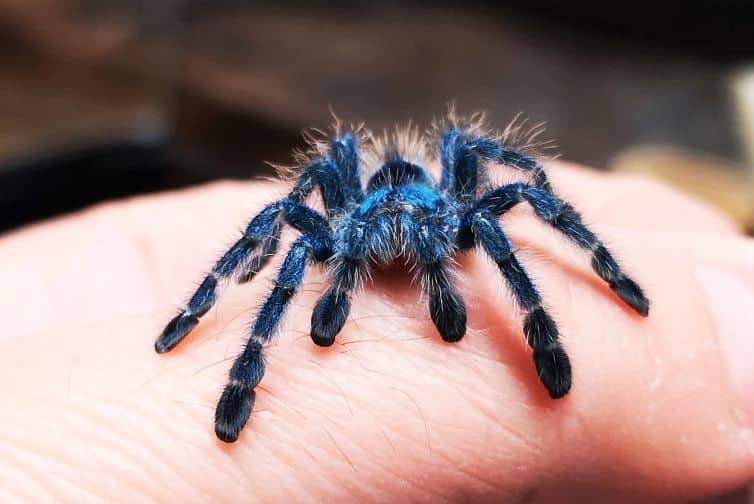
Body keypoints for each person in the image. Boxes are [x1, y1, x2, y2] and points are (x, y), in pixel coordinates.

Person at [0, 161, 751, 502]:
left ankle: (559, 325)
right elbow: (286, 212)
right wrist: (207, 303)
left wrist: (578, 268)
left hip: (445, 205)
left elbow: (518, 181)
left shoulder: (460, 206)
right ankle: (236, 366)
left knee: (507, 206)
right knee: (286, 240)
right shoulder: (335, 216)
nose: (395, 235)